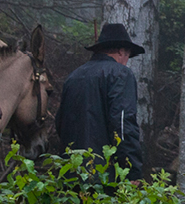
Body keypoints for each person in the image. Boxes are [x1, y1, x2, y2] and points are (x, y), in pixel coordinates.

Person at [56, 23, 146, 182]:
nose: (127, 61)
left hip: (70, 176)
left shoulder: (73, 76)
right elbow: (123, 125)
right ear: (121, 51)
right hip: (105, 177)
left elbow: (60, 123)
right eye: (128, 55)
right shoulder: (121, 75)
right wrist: (131, 171)